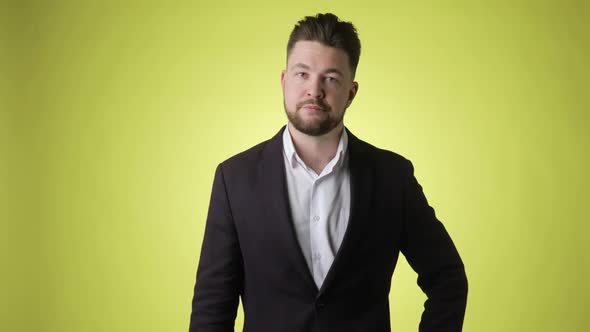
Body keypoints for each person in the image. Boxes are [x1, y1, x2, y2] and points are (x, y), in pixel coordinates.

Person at [189, 13, 468, 332]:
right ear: (284, 81)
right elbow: (213, 306)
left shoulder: (392, 178)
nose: (314, 90)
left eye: (331, 78)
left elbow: (448, 279)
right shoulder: (234, 179)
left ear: (351, 91)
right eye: (302, 74)